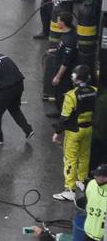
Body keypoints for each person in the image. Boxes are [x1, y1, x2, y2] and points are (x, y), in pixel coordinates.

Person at [51, 65, 97, 201]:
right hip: (89, 129)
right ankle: (82, 181)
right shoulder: (95, 91)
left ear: (75, 78)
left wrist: (57, 132)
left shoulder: (71, 95)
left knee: (69, 158)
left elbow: (64, 117)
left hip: (73, 131)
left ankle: (69, 189)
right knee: (84, 156)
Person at [78, 164, 107, 241]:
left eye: (98, 175)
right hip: (90, 229)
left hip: (103, 235)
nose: (95, 176)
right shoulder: (91, 185)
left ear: (105, 178)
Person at [46, 11, 78, 114]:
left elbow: (66, 62)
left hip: (64, 73)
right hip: (59, 66)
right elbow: (62, 47)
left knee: (61, 94)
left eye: (58, 21)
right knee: (58, 93)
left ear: (63, 23)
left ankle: (62, 115)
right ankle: (59, 111)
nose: (57, 23)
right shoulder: (68, 33)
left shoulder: (69, 40)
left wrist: (58, 77)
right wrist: (55, 50)